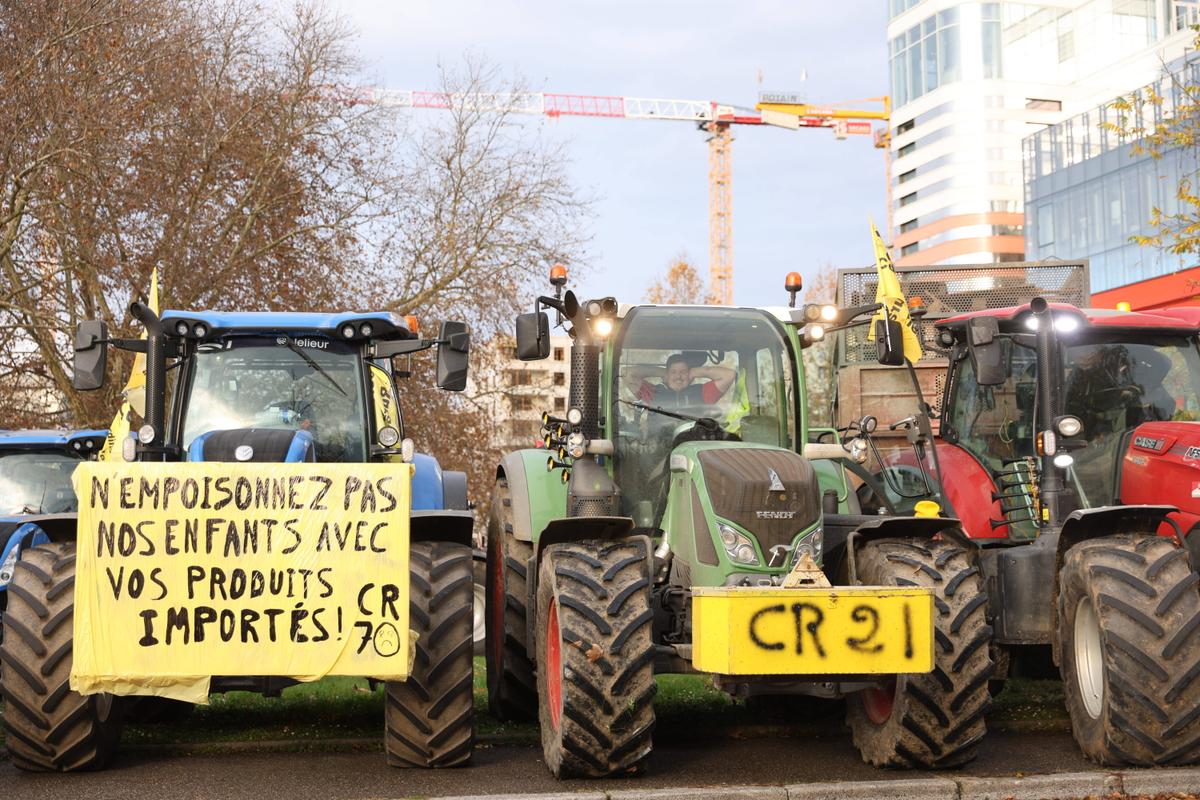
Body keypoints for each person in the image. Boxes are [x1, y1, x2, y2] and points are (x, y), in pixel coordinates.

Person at [631, 353, 736, 408]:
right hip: (660, 443)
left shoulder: (703, 392)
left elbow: (729, 375)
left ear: (690, 375)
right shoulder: (652, 392)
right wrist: (663, 372)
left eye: (683, 372)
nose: (678, 377)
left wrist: (696, 371)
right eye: (674, 372)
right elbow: (628, 374)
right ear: (667, 375)